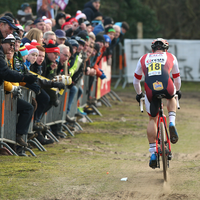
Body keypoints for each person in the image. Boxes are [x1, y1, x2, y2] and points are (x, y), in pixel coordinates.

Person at [133, 38, 181, 168]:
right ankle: (171, 122)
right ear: (166, 49)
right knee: (171, 96)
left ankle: (153, 153)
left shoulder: (144, 58)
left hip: (150, 88)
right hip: (166, 85)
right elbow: (177, 78)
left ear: (152, 49)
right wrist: (177, 91)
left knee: (152, 119)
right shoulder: (171, 56)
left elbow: (136, 81)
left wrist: (139, 94)